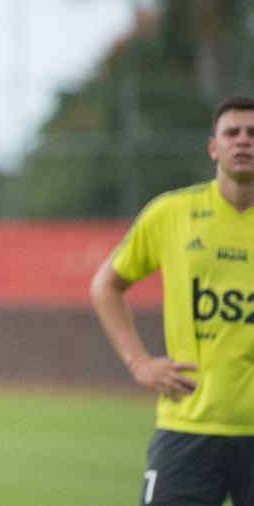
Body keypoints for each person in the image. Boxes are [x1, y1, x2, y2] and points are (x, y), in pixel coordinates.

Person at [90, 96, 254, 506]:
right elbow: (105, 285)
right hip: (188, 425)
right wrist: (139, 364)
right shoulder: (171, 213)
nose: (244, 141)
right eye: (232, 132)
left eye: (253, 133)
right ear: (213, 147)